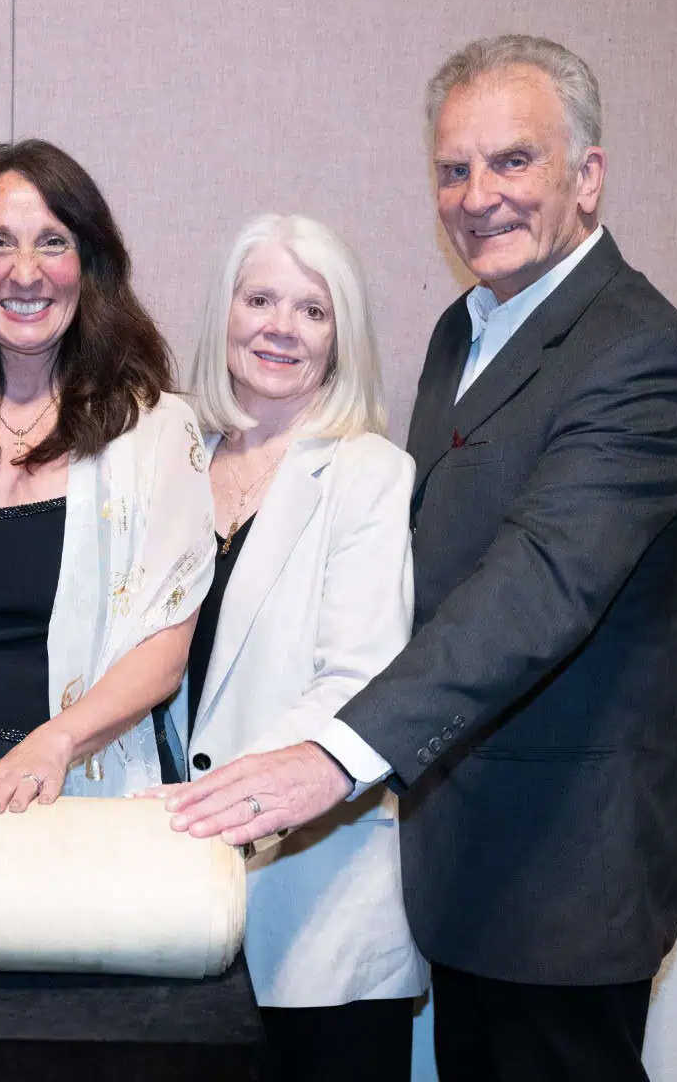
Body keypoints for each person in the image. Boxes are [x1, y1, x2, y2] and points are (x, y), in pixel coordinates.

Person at [165, 36, 677, 1081]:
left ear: (588, 176)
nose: (479, 196)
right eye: (454, 169)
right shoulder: (462, 330)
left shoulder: (641, 355)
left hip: (564, 875)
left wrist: (332, 753)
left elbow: (538, 587)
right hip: (461, 864)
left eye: (513, 161)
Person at [0, 139, 215, 809]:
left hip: (87, 794)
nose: (25, 274)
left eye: (53, 243)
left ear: (90, 266)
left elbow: (164, 650)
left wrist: (54, 744)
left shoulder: (158, 431)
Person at [174, 214, 426, 1080]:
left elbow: (359, 680)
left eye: (312, 310)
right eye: (260, 300)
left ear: (339, 338)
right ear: (225, 313)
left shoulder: (369, 473)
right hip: (175, 906)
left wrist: (210, 807)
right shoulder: (171, 462)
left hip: (320, 919)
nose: (281, 327)